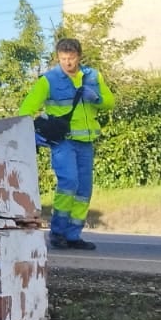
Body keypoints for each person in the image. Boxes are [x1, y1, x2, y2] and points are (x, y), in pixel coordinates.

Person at [20, 37, 115, 251]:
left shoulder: (92, 76)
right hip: (63, 142)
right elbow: (26, 109)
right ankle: (58, 233)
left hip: (86, 142)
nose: (67, 63)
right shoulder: (49, 80)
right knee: (68, 185)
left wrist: (97, 98)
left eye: (71, 58)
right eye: (63, 59)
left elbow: (110, 102)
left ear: (79, 57)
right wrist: (32, 134)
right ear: (58, 57)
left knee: (83, 190)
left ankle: (74, 235)